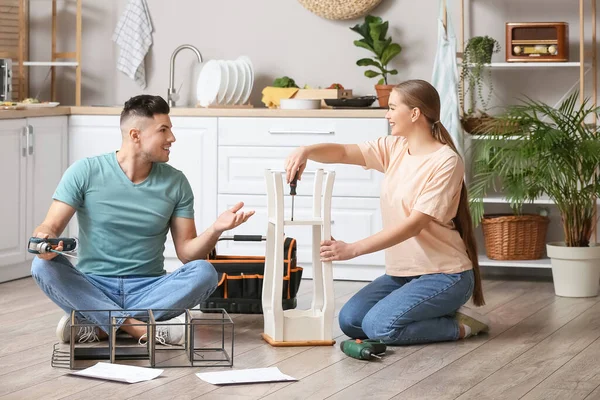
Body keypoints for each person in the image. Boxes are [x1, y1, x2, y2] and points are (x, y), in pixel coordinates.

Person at [31, 95, 254, 345]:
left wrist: (216, 229)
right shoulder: (85, 171)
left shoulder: (175, 182)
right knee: (42, 266)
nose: (172, 138)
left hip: (149, 288)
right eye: (163, 130)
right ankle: (136, 328)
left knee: (205, 272)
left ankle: (102, 326)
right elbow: (49, 226)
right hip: (93, 285)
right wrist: (45, 240)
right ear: (135, 135)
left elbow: (188, 255)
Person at [284, 79, 490, 345]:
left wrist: (353, 249)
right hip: (402, 275)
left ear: (414, 113)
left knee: (379, 327)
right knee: (350, 321)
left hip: (445, 275)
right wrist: (306, 151)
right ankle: (425, 310)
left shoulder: (446, 161)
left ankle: (459, 326)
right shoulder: (394, 148)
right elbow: (345, 152)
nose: (387, 115)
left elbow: (414, 224)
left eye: (392, 108)